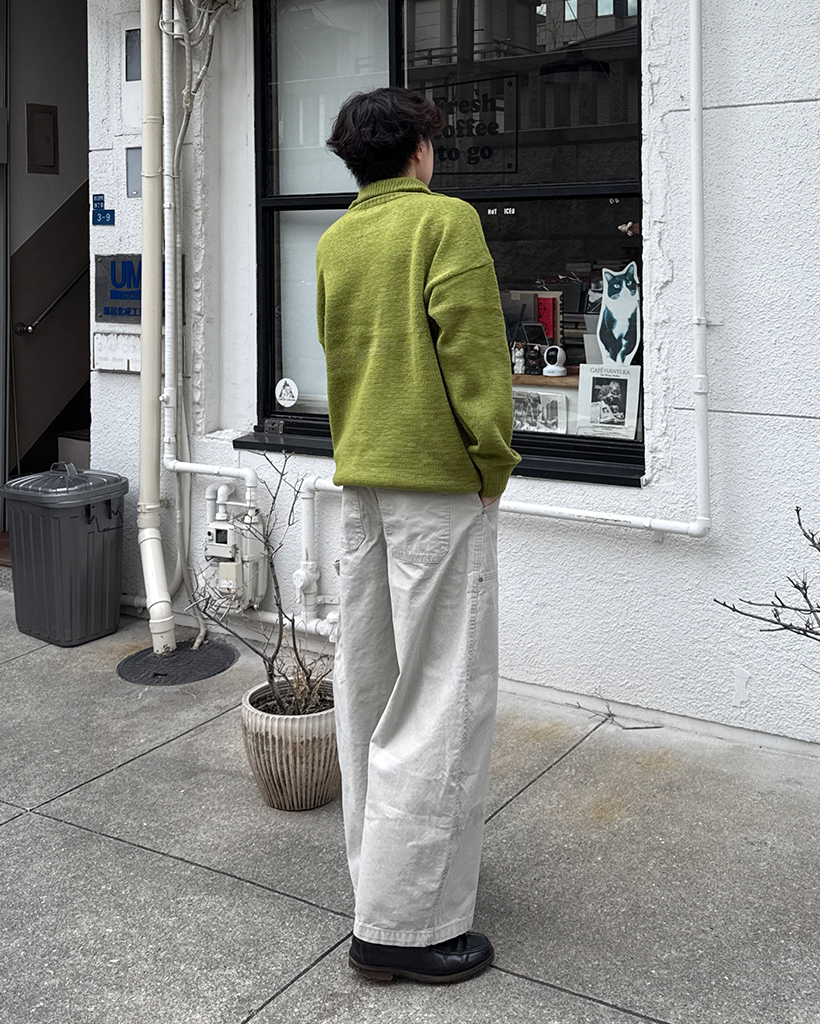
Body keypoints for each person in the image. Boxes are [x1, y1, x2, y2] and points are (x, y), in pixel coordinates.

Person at [316, 86, 520, 985]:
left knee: (369, 689)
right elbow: (475, 355)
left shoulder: (335, 241)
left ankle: (381, 889)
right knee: (443, 697)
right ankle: (407, 929)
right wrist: (492, 463)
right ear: (420, 150)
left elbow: (340, 361)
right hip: (438, 486)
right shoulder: (444, 222)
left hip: (363, 481)